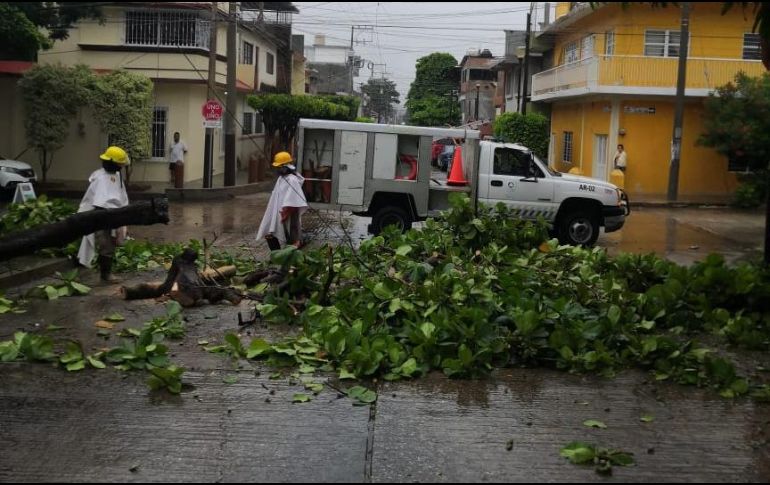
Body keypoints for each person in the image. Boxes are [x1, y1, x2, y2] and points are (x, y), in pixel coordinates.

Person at [77, 146, 130, 283]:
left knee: (110, 244)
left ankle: (106, 273)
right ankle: (105, 275)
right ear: (112, 163)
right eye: (119, 164)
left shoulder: (116, 176)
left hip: (112, 215)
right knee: (106, 244)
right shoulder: (101, 178)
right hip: (100, 216)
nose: (121, 167)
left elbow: (120, 196)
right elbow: (100, 202)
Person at [256, 151, 309, 251]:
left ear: (285, 166)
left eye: (279, 167)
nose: (277, 169)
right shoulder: (282, 178)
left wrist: (286, 212)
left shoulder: (292, 180)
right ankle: (277, 254)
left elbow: (293, 200)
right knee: (271, 233)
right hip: (281, 212)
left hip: (289, 213)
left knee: (292, 237)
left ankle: (292, 255)